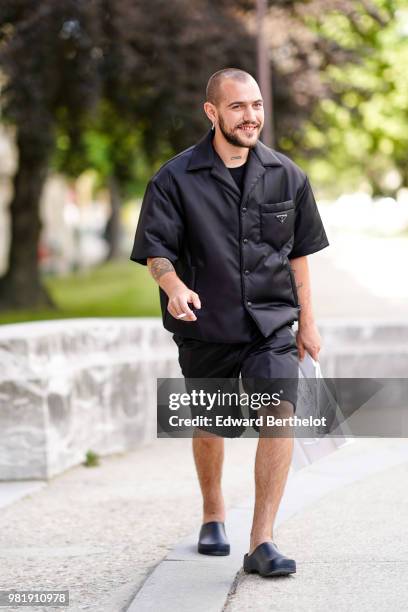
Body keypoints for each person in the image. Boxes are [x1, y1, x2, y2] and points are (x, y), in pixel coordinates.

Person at [130, 68, 329, 577]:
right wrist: (173, 287)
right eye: (238, 106)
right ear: (212, 112)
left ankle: (262, 541)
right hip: (206, 323)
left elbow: (298, 255)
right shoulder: (174, 178)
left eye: (257, 105)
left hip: (270, 326)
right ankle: (213, 512)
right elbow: (157, 252)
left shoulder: (288, 175)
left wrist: (308, 322)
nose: (251, 116)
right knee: (212, 424)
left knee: (280, 411)